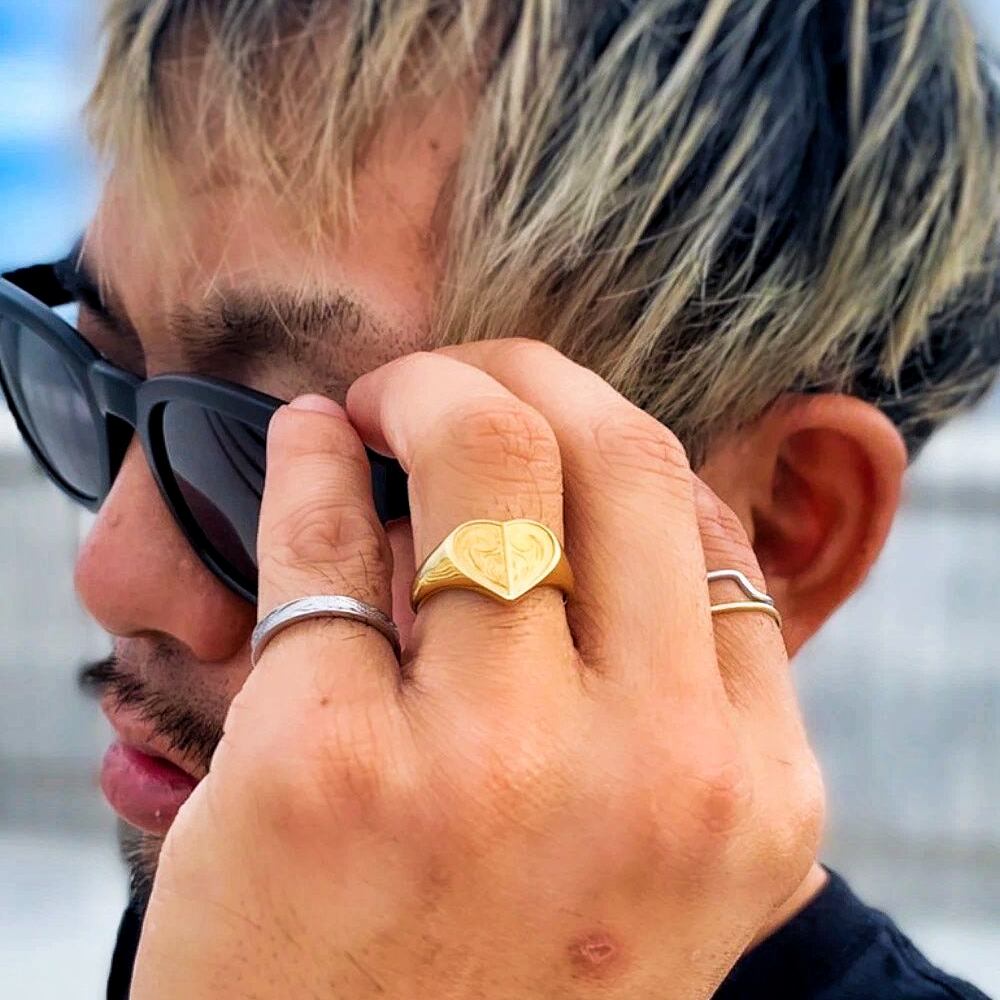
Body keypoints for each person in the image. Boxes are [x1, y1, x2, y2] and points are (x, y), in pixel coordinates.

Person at [1, 0, 998, 997]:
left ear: (779, 527)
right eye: (96, 368)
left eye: (276, 450)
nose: (110, 574)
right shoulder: (254, 870)